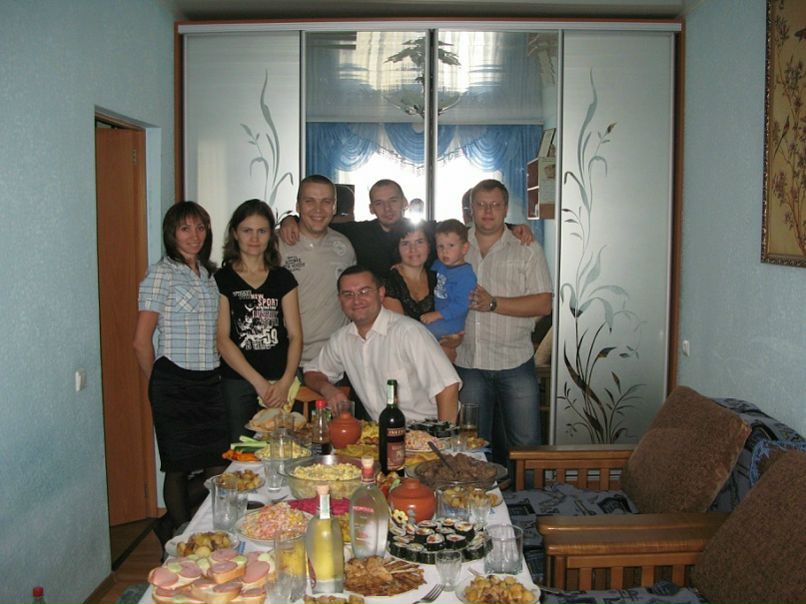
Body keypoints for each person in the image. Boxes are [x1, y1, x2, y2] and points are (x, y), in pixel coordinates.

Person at [133, 201, 228, 545]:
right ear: (171, 233)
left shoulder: (209, 276)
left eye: (200, 227)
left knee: (218, 464)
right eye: (185, 228)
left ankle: (173, 524)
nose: (194, 235)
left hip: (209, 381)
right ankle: (179, 537)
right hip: (174, 380)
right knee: (177, 466)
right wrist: (158, 384)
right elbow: (141, 341)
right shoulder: (161, 273)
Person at [455, 179, 553, 468]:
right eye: (481, 205)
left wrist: (494, 303)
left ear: (506, 208)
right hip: (468, 362)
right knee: (472, 449)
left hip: (515, 363)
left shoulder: (527, 248)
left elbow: (543, 304)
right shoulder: (454, 245)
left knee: (526, 446)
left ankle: (531, 497)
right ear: (471, 208)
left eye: (495, 205)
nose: (488, 211)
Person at [303, 265, 461, 423]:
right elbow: (312, 372)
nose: (356, 300)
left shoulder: (408, 333)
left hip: (426, 429)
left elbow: (447, 387)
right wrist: (328, 390)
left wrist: (442, 435)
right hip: (380, 432)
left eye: (364, 292)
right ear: (340, 300)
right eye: (348, 294)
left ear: (381, 293)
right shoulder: (342, 339)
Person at [215, 199, 302, 442]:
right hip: (238, 382)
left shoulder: (283, 278)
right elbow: (222, 339)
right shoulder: (221, 279)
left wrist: (285, 382)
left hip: (281, 381)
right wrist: (259, 384)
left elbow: (295, 335)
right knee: (242, 452)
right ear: (235, 234)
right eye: (247, 231)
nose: (254, 238)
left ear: (270, 235)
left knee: (285, 450)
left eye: (262, 231)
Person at [278, 175, 356, 367]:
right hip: (288, 362)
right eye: (309, 201)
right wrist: (286, 220)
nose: (318, 209)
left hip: (338, 360)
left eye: (326, 202)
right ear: (298, 206)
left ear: (334, 207)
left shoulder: (345, 246)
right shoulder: (275, 245)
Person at [421, 219, 477, 340]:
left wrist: (437, 315)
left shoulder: (466, 275)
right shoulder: (439, 265)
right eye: (440, 246)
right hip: (437, 318)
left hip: (452, 323)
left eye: (451, 245)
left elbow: (462, 305)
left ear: (464, 248)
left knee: (418, 334)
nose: (444, 251)